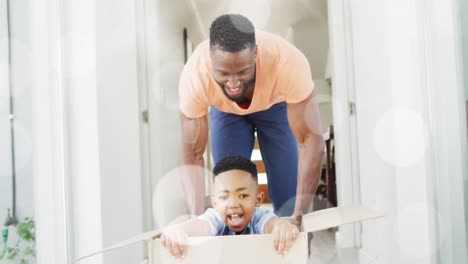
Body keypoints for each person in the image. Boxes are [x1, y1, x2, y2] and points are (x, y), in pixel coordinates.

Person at [179, 14, 324, 226]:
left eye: (243, 71)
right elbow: (191, 153)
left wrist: (300, 218)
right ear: (210, 60)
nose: (234, 83)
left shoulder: (287, 62)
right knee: (231, 190)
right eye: (223, 73)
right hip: (225, 111)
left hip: (275, 105)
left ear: (255, 53)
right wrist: (195, 218)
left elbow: (311, 141)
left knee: (287, 193)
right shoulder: (195, 76)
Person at [161, 156, 300, 260]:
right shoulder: (216, 217)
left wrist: (281, 225)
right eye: (223, 197)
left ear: (257, 200)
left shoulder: (258, 216)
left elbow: (270, 223)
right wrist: (181, 230)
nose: (233, 204)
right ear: (214, 203)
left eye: (243, 196)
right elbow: (202, 225)